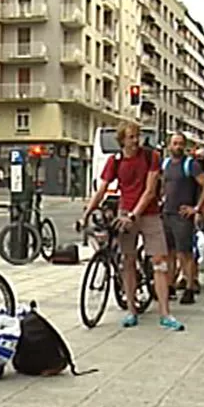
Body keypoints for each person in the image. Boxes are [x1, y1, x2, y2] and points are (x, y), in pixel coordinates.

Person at [80, 121, 183, 331]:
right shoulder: (115, 161)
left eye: (137, 136)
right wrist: (86, 214)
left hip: (148, 214)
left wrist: (134, 215)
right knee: (127, 261)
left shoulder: (150, 156)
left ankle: (165, 313)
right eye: (130, 137)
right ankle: (131, 310)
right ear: (122, 141)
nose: (136, 141)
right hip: (125, 212)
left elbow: (150, 191)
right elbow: (101, 190)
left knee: (159, 262)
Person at [161, 132, 204, 305]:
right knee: (169, 253)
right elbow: (163, 184)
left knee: (185, 254)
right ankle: (169, 285)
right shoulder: (166, 163)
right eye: (175, 143)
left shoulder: (191, 165)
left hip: (182, 215)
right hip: (167, 213)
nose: (178, 147)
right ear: (169, 145)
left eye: (181, 143)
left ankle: (190, 286)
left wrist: (196, 208)